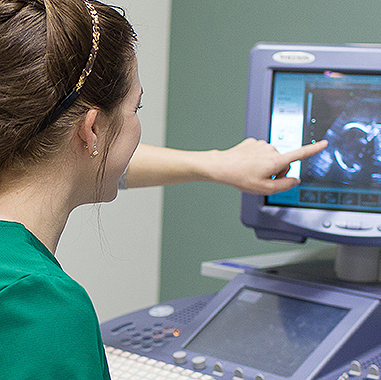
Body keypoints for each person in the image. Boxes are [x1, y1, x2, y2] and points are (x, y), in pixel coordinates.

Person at [0, 0, 326, 378]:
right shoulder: (38, 305)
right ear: (91, 129)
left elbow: (73, 154)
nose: (137, 126)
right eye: (135, 108)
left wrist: (215, 164)